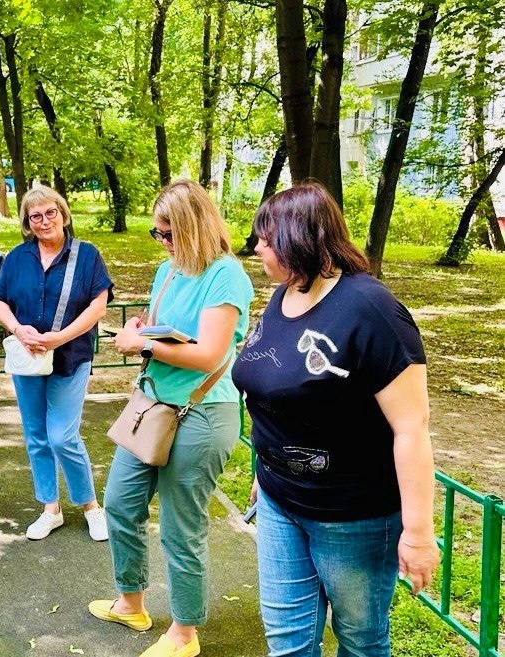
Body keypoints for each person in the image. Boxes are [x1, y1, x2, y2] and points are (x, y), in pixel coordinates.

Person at [231, 182, 440, 657]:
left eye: (266, 238)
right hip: (280, 502)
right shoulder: (285, 294)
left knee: (360, 641)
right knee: (287, 642)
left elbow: (412, 428)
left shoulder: (372, 310)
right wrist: (266, 470)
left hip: (353, 516)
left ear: (298, 239)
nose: (257, 247)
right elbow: (274, 392)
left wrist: (418, 534)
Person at [90, 179, 254, 657]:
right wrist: (139, 330)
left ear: (195, 226)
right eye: (157, 233)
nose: (162, 241)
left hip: (202, 412)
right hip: (153, 406)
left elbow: (208, 355)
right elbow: (158, 327)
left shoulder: (226, 275)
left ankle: (184, 633)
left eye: (170, 233)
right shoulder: (168, 270)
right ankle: (131, 603)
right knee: (120, 504)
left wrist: (141, 344)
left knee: (182, 527)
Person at [0, 186, 113, 542]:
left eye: (50, 213)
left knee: (62, 435)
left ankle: (91, 506)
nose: (44, 221)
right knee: (37, 436)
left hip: (71, 357)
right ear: (27, 222)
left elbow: (98, 306)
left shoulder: (87, 255)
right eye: (36, 216)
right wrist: (18, 329)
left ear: (63, 213)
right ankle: (50, 509)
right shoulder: (17, 258)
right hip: (28, 360)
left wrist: (60, 338)